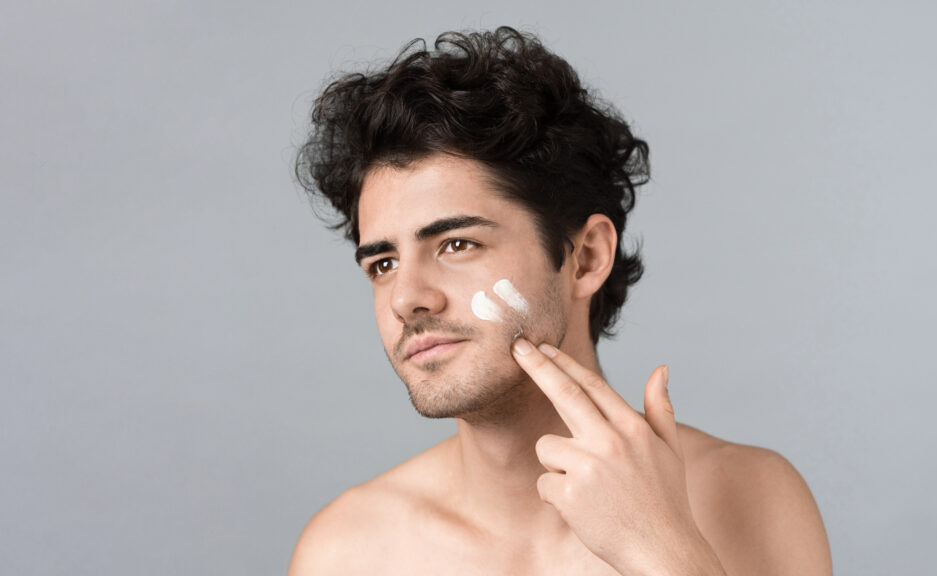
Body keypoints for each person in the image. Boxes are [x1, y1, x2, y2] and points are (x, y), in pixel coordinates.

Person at [288, 26, 831, 575]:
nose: (406, 298)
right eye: (383, 264)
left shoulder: (752, 498)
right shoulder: (347, 550)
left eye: (457, 244)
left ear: (587, 257)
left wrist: (662, 547)